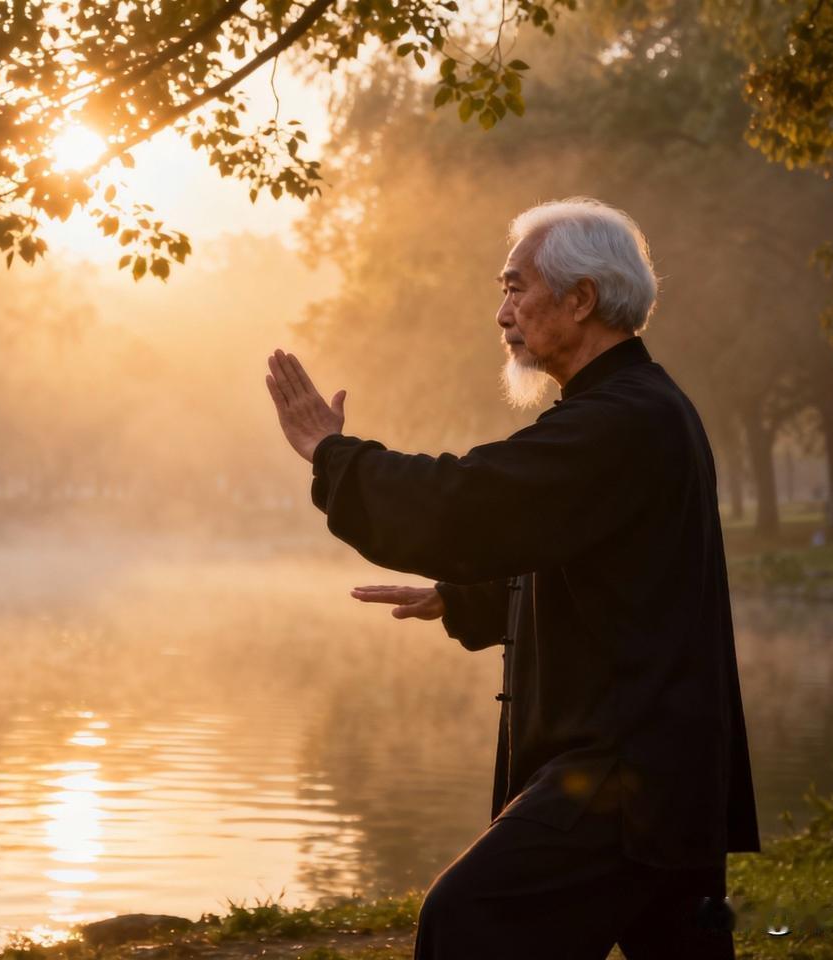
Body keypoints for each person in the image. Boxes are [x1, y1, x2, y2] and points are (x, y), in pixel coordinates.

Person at [264, 197, 760, 959]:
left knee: (471, 918)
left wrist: (335, 455)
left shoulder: (623, 419)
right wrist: (465, 596)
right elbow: (598, 560)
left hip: (624, 771)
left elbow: (472, 502)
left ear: (581, 298)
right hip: (660, 769)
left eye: (515, 288)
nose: (502, 314)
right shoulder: (632, 409)